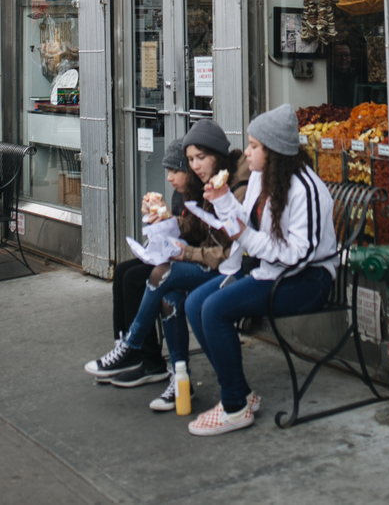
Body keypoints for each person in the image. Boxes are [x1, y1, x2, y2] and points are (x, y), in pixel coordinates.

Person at [179, 105, 339, 435]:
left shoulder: (306, 190)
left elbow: (299, 254)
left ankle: (235, 405)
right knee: (195, 304)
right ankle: (239, 390)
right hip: (271, 270)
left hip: (308, 280)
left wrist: (247, 237)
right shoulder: (260, 179)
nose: (248, 152)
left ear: (274, 151)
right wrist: (222, 198)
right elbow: (243, 219)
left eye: (254, 146)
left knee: (214, 310)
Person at [84, 119, 240, 405]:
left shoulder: (230, 186)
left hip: (228, 270)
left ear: (218, 155)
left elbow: (231, 249)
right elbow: (197, 229)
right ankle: (179, 380)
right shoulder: (206, 185)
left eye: (199, 158)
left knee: (159, 274)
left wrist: (185, 250)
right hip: (205, 261)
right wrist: (165, 219)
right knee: (163, 294)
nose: (193, 166)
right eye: (190, 160)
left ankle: (134, 346)